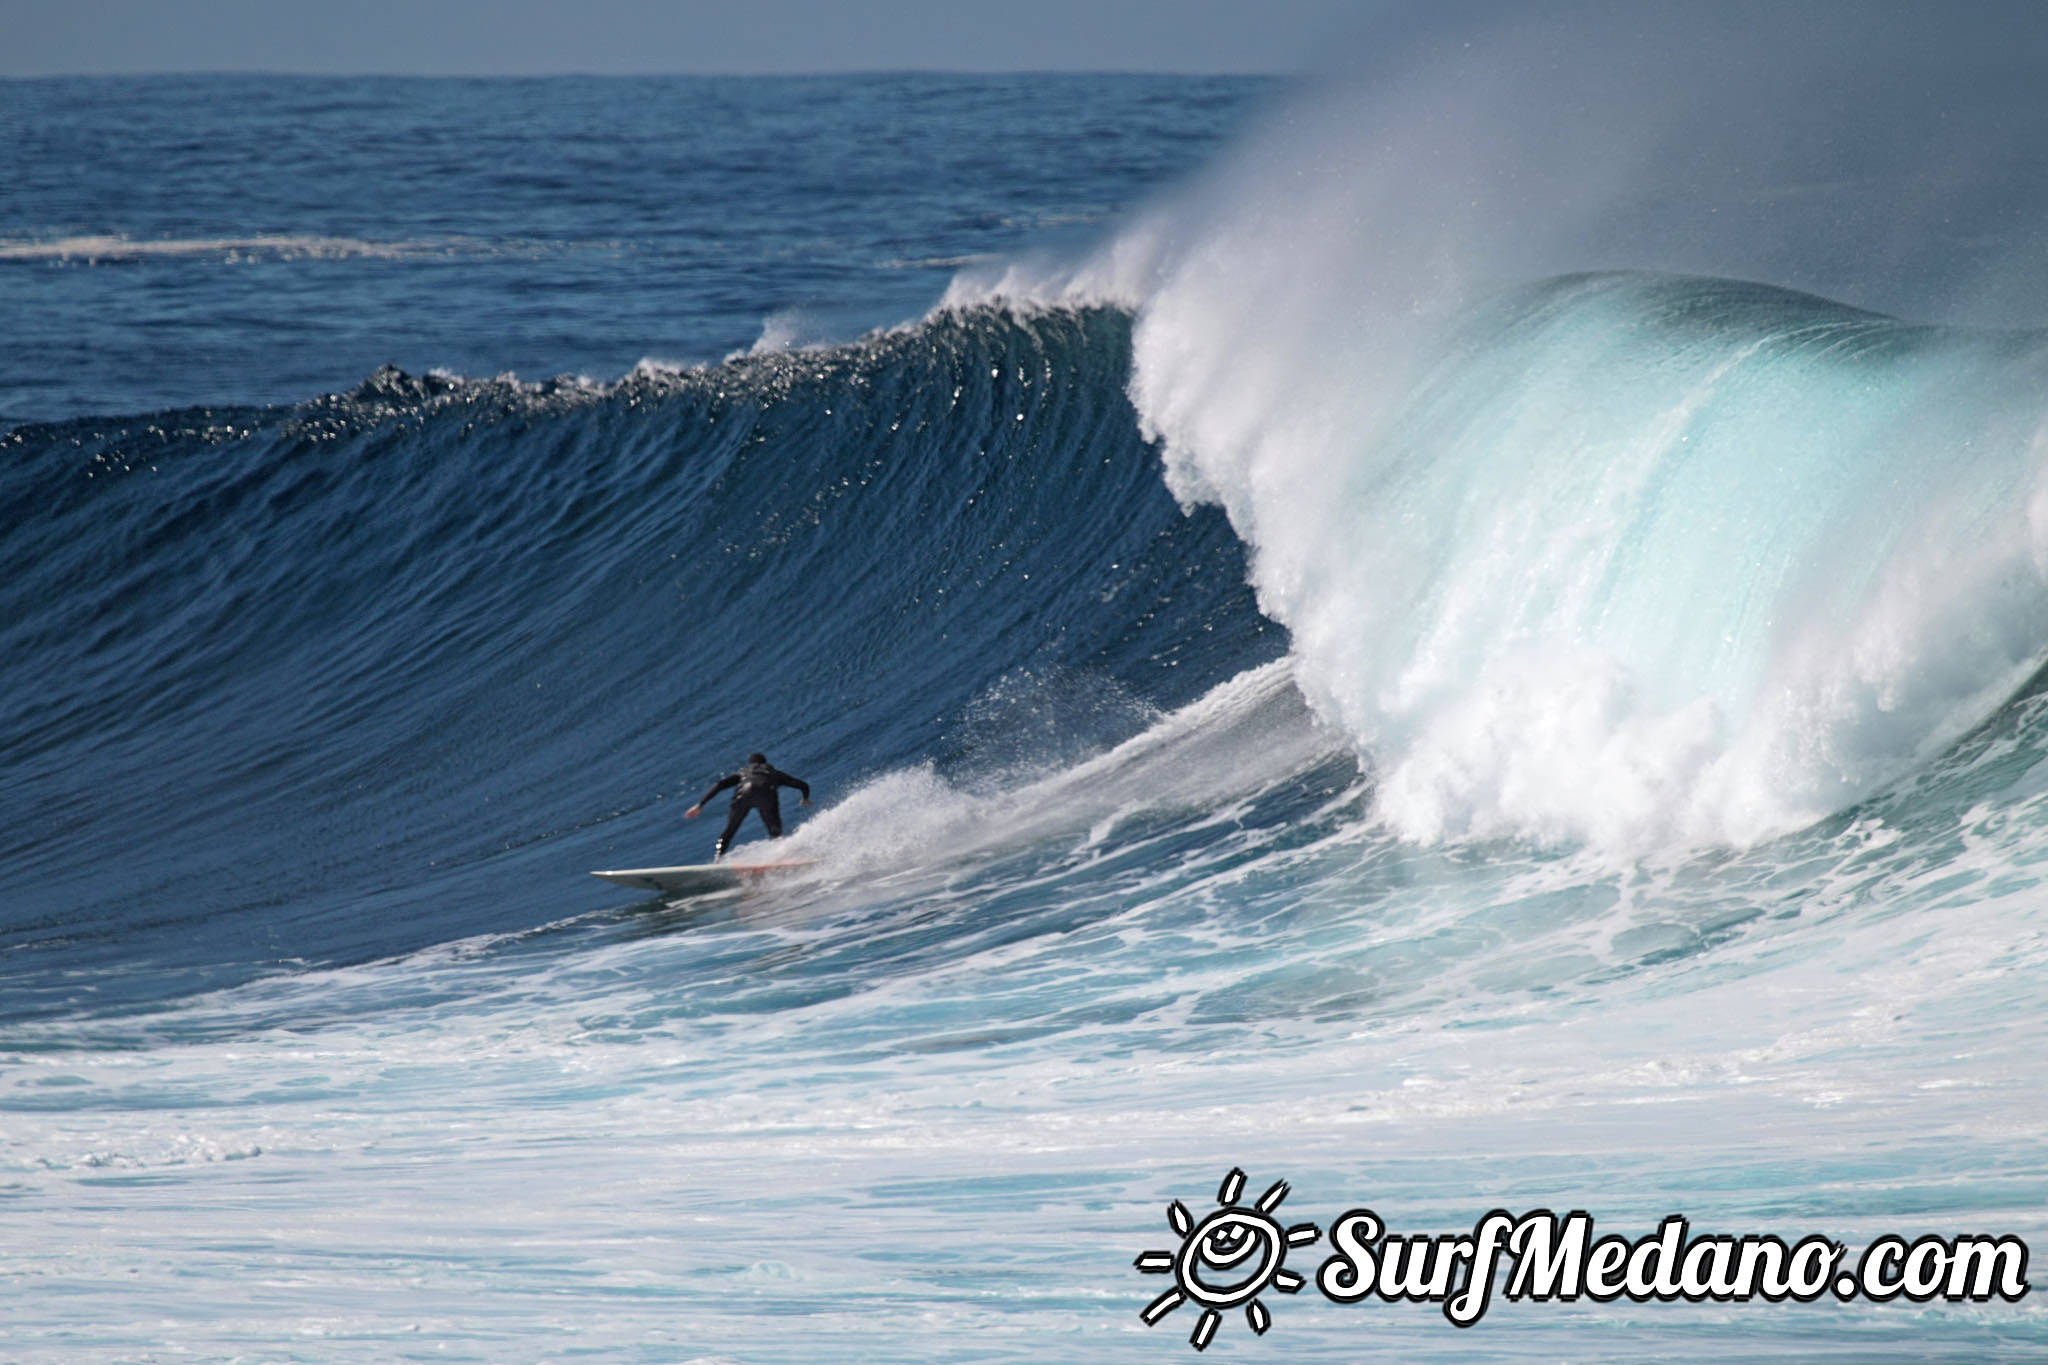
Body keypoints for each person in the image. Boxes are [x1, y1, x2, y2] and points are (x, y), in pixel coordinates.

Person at [685, 752, 812, 859]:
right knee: (775, 832)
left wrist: (700, 804)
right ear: (765, 763)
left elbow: (720, 785)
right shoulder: (775, 773)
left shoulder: (743, 772)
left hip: (743, 795)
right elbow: (803, 785)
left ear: (751, 764)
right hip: (766, 794)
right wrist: (805, 798)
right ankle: (781, 856)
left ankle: (718, 858)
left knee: (729, 831)